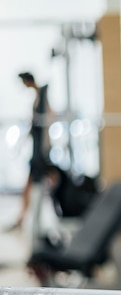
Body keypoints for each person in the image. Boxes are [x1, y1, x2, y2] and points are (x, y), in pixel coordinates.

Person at [7, 72, 50, 231]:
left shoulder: (42, 96)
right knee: (31, 184)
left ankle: (25, 220)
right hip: (36, 149)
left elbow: (48, 119)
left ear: (28, 81)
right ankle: (22, 218)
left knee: (36, 184)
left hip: (41, 150)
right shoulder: (37, 97)